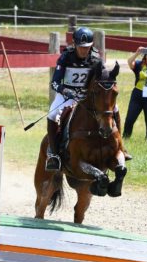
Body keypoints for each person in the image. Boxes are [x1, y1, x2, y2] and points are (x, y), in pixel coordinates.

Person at [46, 26, 130, 172]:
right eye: (80, 47)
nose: (84, 50)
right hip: (67, 95)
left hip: (89, 96)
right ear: (75, 45)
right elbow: (55, 82)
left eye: (87, 47)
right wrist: (68, 91)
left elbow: (103, 79)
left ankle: (121, 146)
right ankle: (54, 154)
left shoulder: (96, 59)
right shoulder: (66, 57)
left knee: (115, 109)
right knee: (52, 115)